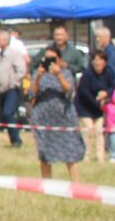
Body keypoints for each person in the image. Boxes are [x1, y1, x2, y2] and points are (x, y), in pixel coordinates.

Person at [29, 48, 84, 181]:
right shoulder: (38, 73)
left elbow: (69, 90)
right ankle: (47, 182)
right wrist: (38, 77)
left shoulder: (66, 73)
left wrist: (58, 75)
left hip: (63, 116)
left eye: (52, 59)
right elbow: (32, 93)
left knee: (70, 149)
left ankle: (76, 183)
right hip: (43, 116)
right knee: (44, 151)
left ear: (59, 59)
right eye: (46, 58)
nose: (49, 62)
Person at [0, 28, 30, 146]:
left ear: (6, 40)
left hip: (12, 89)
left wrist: (13, 81)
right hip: (1, 90)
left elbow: (22, 70)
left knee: (7, 113)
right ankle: (13, 140)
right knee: (4, 114)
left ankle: (16, 140)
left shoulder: (14, 54)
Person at [74, 49, 112, 163]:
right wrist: (97, 103)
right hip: (84, 106)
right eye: (95, 59)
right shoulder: (87, 74)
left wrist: (106, 93)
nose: (97, 62)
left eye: (100, 60)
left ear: (105, 62)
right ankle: (86, 156)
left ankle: (100, 157)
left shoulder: (108, 72)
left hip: (98, 109)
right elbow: (83, 91)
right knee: (88, 132)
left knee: (99, 132)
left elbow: (112, 87)